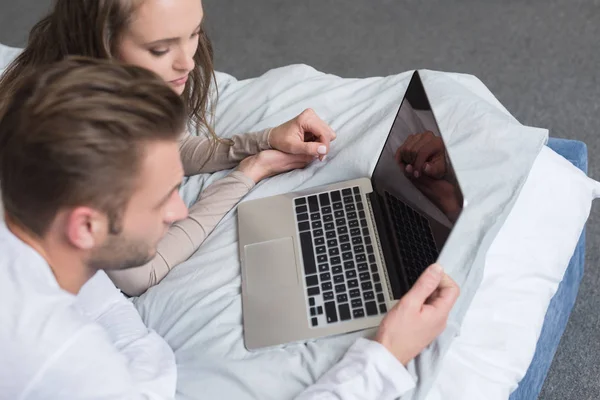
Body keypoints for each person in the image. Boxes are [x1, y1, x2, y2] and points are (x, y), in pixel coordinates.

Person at [0, 58, 460, 399]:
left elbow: (98, 300)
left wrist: (252, 159)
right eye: (162, 198)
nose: (179, 212)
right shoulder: (69, 365)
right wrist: (383, 359)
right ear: (85, 226)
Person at [0, 0, 338, 296]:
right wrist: (248, 174)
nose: (188, 63)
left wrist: (264, 140)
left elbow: (171, 150)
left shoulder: (121, 84)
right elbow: (140, 273)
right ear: (102, 43)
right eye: (161, 49)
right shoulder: (66, 137)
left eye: (193, 33)